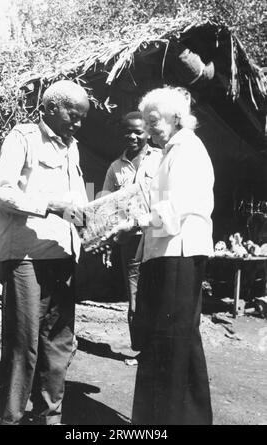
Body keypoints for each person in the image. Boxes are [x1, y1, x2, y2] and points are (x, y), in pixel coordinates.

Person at [0, 80, 90, 425]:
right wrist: (48, 205)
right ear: (49, 108)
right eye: (73, 116)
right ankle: (10, 417)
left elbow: (78, 200)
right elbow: (0, 192)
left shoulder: (73, 148)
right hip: (27, 256)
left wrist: (95, 219)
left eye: (81, 119)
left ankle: (50, 416)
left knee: (59, 342)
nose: (77, 124)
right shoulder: (24, 138)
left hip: (62, 254)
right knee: (24, 342)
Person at [131, 86, 214, 425]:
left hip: (178, 253)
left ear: (176, 118)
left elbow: (173, 211)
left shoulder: (188, 150)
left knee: (172, 341)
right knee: (175, 340)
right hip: (164, 253)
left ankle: (166, 421)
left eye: (153, 121)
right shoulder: (168, 152)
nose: (148, 128)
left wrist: (136, 220)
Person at [102, 111, 162, 356]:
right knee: (135, 294)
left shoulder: (161, 158)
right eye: (128, 131)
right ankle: (140, 349)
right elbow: (103, 201)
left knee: (160, 290)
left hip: (159, 234)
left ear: (148, 132)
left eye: (138, 131)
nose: (133, 136)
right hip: (131, 239)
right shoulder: (115, 168)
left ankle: (159, 349)